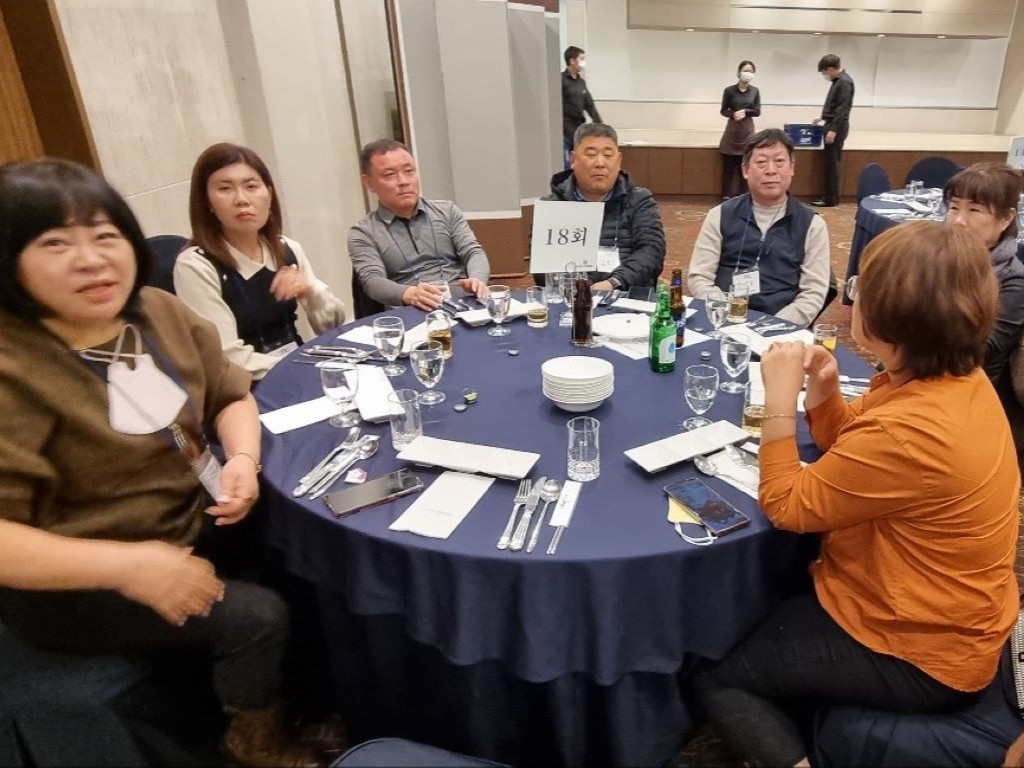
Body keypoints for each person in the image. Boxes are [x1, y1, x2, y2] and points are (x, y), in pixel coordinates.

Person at [0, 159, 329, 766]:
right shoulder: (13, 364)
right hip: (86, 574)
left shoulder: (155, 309)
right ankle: (256, 744)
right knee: (257, 616)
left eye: (105, 235)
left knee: (313, 536)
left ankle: (325, 699)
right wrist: (131, 567)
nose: (92, 260)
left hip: (196, 511)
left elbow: (231, 395)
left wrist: (243, 458)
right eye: (55, 244)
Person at [696, 221, 1020, 767]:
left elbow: (786, 505)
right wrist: (823, 390)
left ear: (886, 318)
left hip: (924, 649)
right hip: (950, 611)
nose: (851, 297)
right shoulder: (952, 378)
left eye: (859, 286)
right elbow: (856, 449)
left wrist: (779, 401)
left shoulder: (913, 430)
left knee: (721, 684)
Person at [175, 143, 346, 381]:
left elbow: (333, 326)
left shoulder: (286, 248)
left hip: (296, 369)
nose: (242, 199)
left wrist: (310, 289)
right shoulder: (195, 266)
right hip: (245, 388)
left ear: (269, 194)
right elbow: (227, 357)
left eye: (251, 186)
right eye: (225, 189)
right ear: (207, 203)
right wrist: (304, 368)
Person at [688, 128, 830, 326]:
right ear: (745, 170)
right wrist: (723, 313)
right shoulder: (720, 215)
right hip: (723, 318)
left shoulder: (812, 224)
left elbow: (813, 293)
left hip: (781, 326)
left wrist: (774, 326)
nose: (771, 170)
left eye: (779, 161)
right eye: (761, 162)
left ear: (792, 168)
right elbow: (699, 276)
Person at [348, 139, 490, 312]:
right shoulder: (363, 233)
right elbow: (372, 281)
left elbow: (473, 252)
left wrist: (477, 279)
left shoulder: (447, 211)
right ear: (369, 183)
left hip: (464, 304)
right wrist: (409, 293)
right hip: (412, 311)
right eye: (390, 175)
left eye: (409, 171)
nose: (403, 181)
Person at [944, 162, 1024, 458]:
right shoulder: (941, 260)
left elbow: (982, 352)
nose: (959, 221)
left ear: (1006, 218)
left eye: (974, 210)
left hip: (971, 395)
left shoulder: (1013, 280)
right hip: (922, 375)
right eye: (954, 207)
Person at [535, 122, 665, 292]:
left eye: (608, 155)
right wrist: (581, 290)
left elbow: (651, 253)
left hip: (626, 296)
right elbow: (542, 271)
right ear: (573, 160)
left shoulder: (640, 200)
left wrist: (614, 282)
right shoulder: (552, 206)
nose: (600, 163)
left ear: (618, 161)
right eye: (591, 154)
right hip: (571, 298)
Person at [811, 53, 854, 207]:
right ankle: (828, 195)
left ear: (830, 69)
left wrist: (833, 129)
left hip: (837, 127)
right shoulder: (838, 81)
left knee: (832, 164)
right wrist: (823, 117)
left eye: (824, 72)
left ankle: (831, 198)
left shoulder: (844, 82)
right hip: (831, 123)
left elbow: (842, 109)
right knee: (829, 162)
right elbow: (834, 106)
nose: (825, 75)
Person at [719, 60, 761, 201]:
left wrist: (746, 112)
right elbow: (723, 110)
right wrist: (733, 114)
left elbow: (757, 111)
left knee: (745, 166)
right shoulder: (729, 90)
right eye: (745, 70)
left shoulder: (755, 91)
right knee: (728, 167)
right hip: (732, 130)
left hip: (747, 130)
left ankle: (743, 196)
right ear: (738, 73)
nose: (748, 74)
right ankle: (726, 196)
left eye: (751, 71)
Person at [561, 45, 602, 169]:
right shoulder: (561, 80)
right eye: (581, 59)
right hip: (564, 132)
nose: (584, 63)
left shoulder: (581, 82)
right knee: (566, 165)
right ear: (572, 61)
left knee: (580, 165)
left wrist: (600, 125)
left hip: (578, 131)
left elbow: (589, 105)